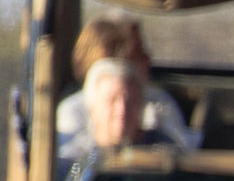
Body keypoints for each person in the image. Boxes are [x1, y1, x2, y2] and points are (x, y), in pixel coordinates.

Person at [56, 20, 197, 157]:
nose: (122, 108)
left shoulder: (160, 102)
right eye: (138, 49)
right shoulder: (72, 111)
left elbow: (182, 155)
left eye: (131, 101)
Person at [62, 60, 177, 160]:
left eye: (130, 101)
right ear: (92, 108)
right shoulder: (73, 159)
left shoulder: (165, 153)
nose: (122, 109)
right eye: (111, 100)